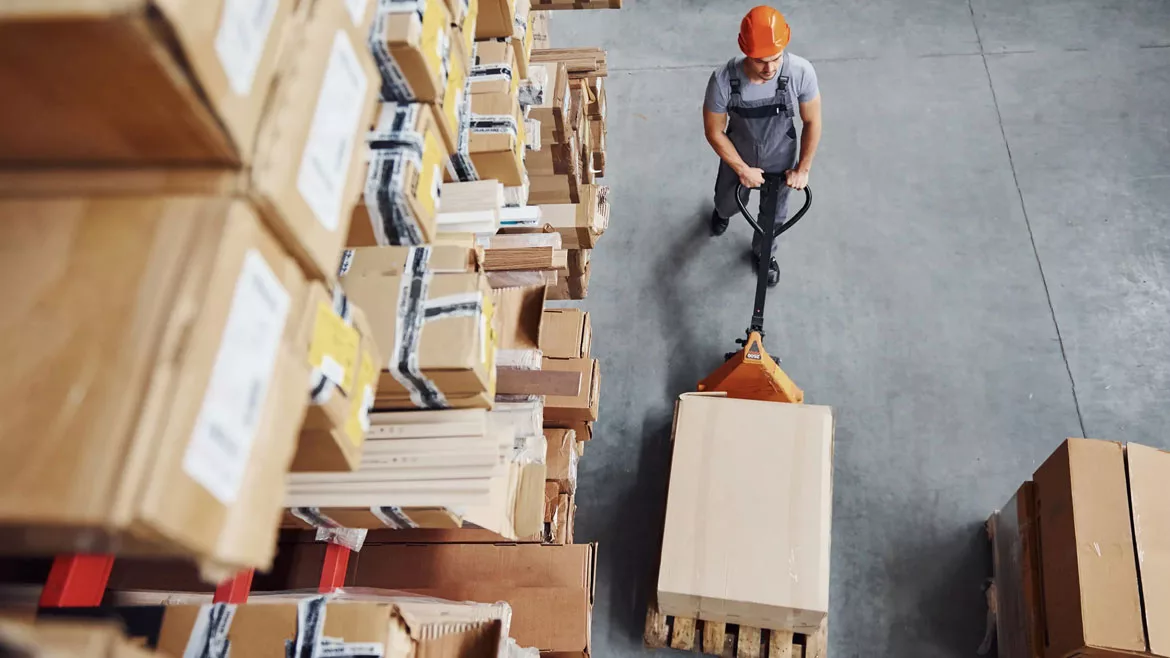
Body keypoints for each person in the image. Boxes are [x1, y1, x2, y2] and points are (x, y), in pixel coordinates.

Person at [704, 6, 822, 286]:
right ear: (744, 50)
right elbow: (714, 131)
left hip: (781, 159)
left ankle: (763, 252)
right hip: (739, 154)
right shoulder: (723, 81)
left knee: (774, 216)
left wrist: (802, 169)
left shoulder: (800, 72)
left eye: (775, 59)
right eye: (759, 61)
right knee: (727, 202)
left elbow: (813, 121)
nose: (769, 68)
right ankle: (722, 213)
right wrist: (741, 169)